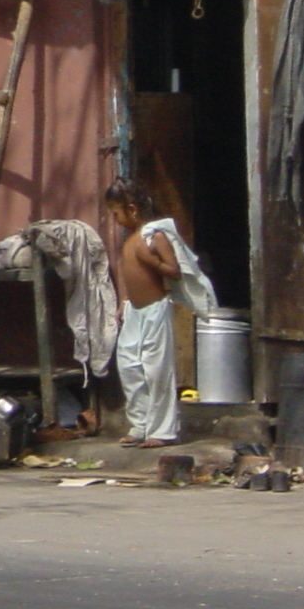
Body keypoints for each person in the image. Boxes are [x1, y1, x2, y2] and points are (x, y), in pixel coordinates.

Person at [106, 179, 186, 449]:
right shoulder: (130, 240)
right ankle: (140, 423)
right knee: (128, 365)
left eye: (116, 213)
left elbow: (173, 270)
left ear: (132, 209)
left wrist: (150, 259)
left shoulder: (155, 236)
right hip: (135, 311)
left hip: (155, 310)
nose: (115, 219)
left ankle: (162, 430)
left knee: (156, 370)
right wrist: (124, 301)